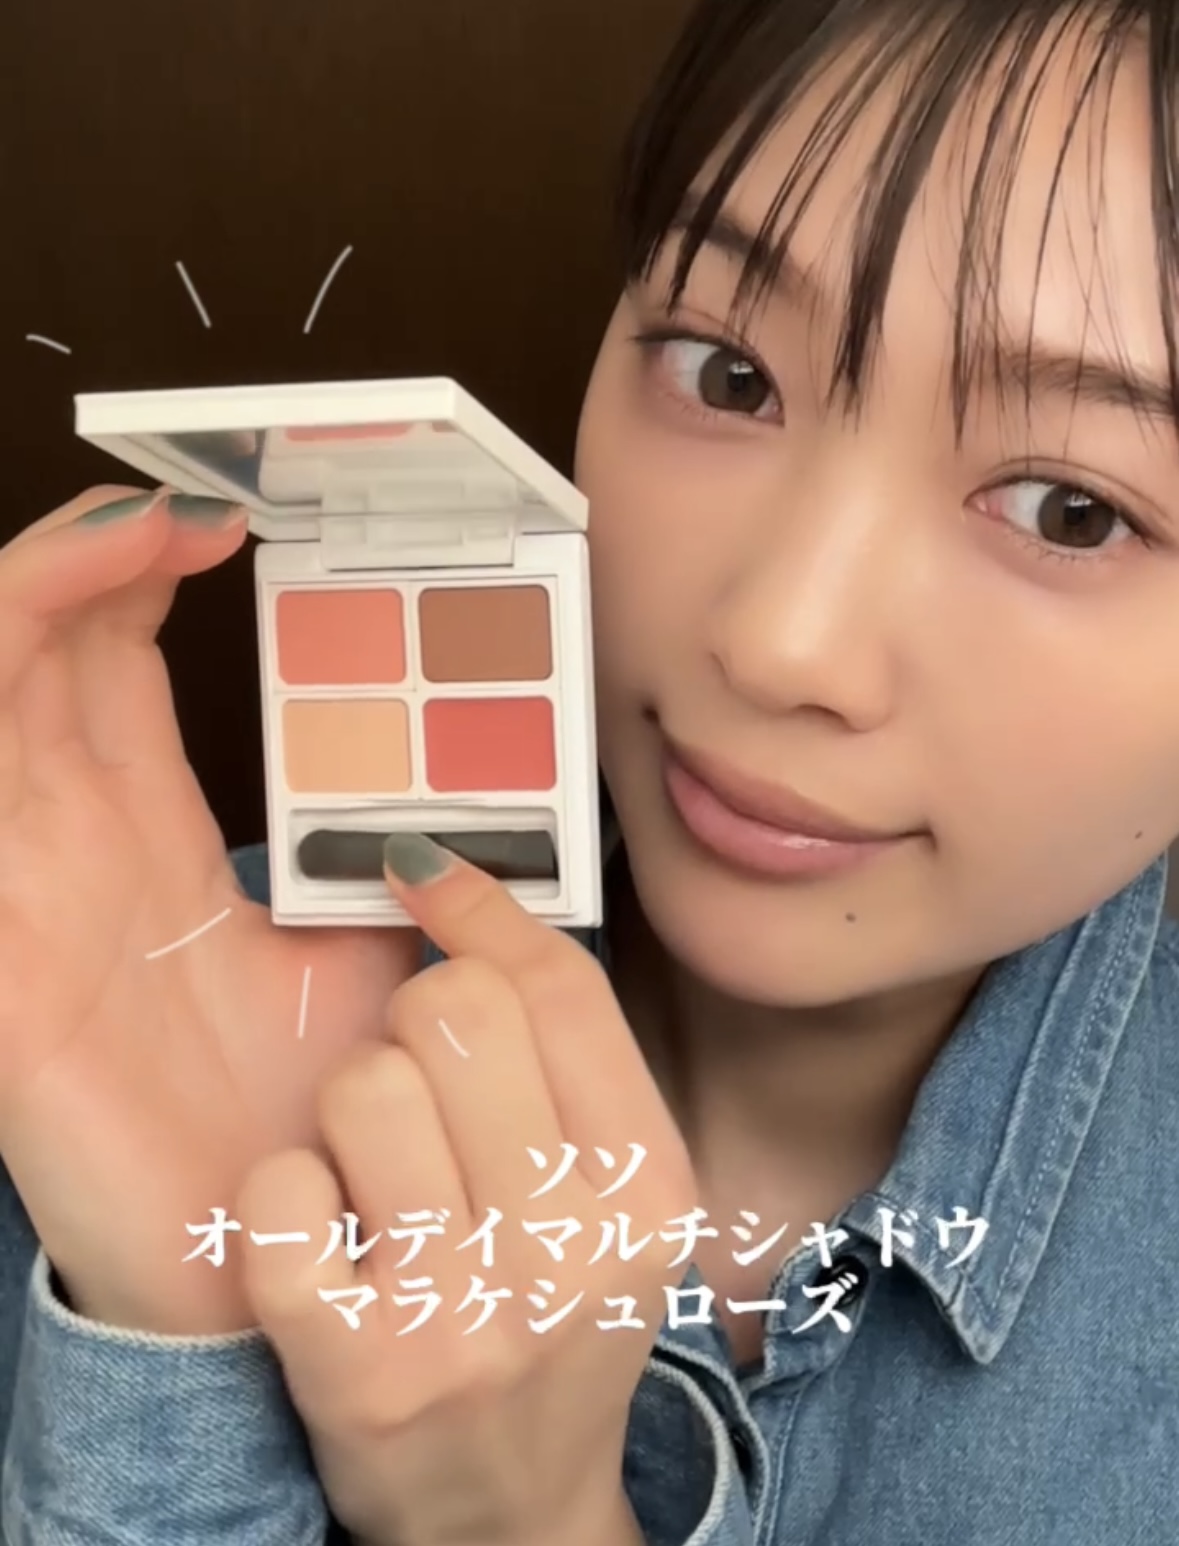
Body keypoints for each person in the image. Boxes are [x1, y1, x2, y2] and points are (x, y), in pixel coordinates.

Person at [2, 0, 1178, 1540]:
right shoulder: (134, 1020)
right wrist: (181, 1328)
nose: (780, 641)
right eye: (728, 373)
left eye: (1071, 510)